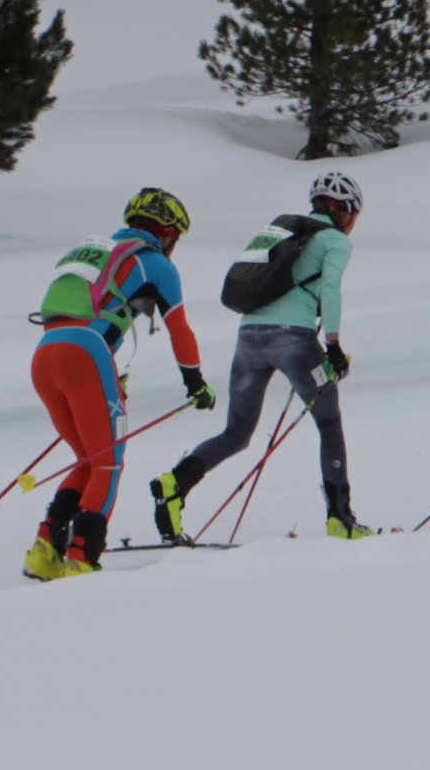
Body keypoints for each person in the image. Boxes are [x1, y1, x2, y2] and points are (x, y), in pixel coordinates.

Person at [153, 172, 367, 541]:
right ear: (344, 210)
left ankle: (175, 483)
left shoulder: (284, 232)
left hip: (249, 337)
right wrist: (333, 345)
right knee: (329, 423)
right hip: (294, 340)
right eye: (354, 214)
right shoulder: (334, 240)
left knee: (237, 433)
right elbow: (331, 288)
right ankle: (340, 520)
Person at [24, 188, 215, 580]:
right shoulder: (153, 262)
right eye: (176, 236)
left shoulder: (94, 253)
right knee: (107, 463)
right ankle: (81, 558)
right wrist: (196, 382)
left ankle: (45, 551)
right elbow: (180, 330)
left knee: (88, 459)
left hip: (45, 354)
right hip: (87, 353)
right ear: (166, 231)